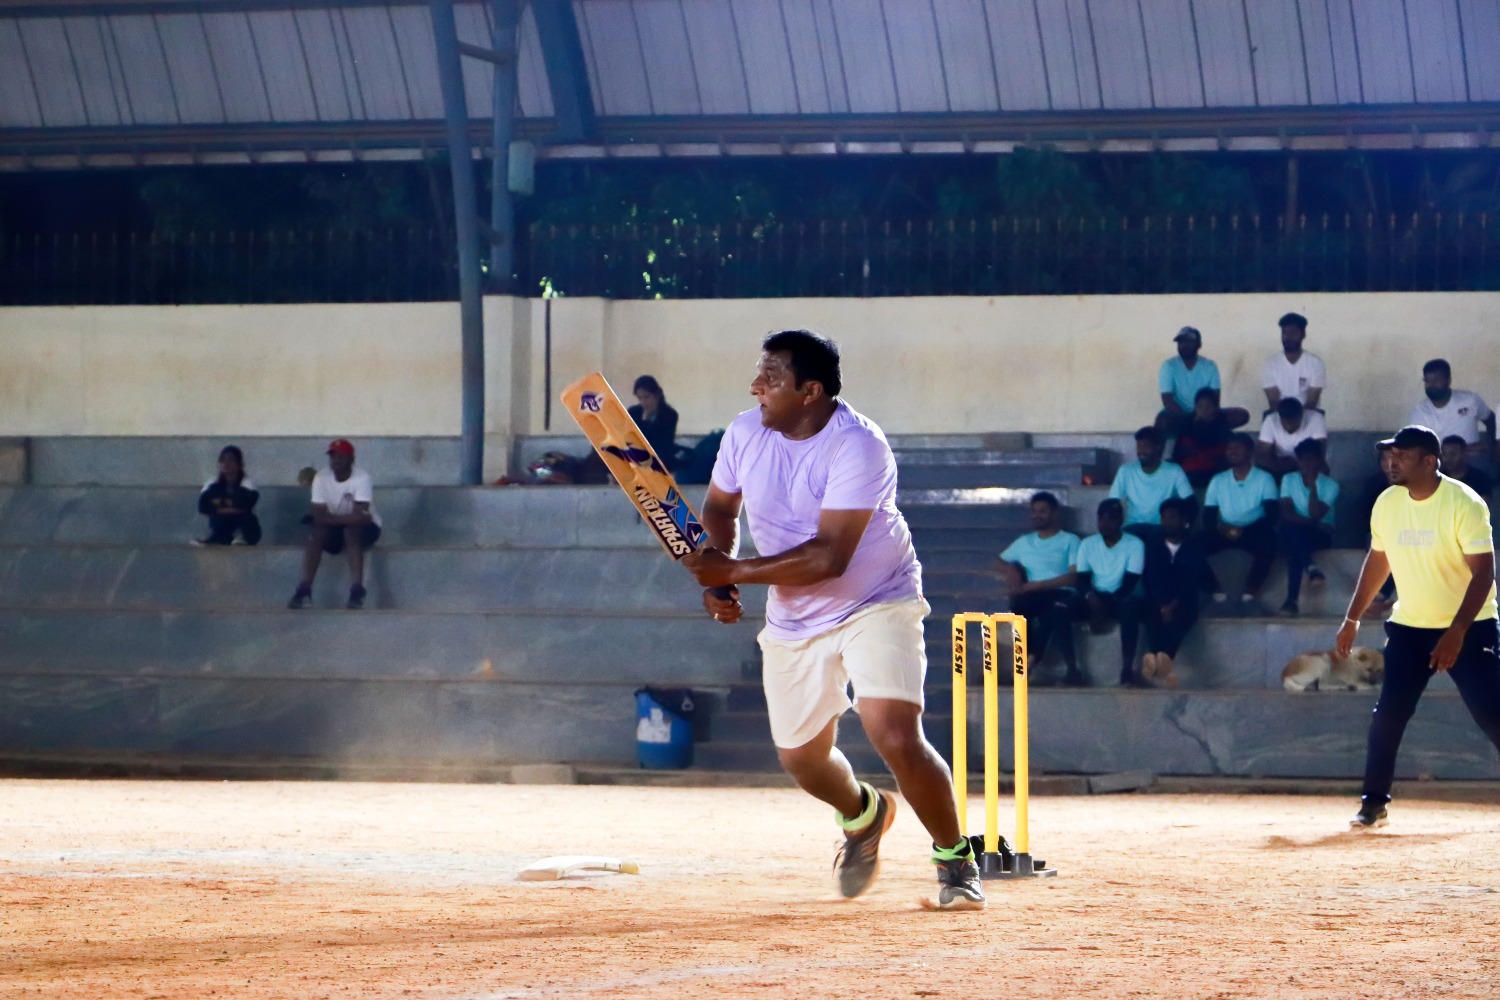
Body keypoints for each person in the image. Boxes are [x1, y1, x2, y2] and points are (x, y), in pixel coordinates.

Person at [680, 330, 983, 910]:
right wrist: (717, 577)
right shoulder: (746, 432)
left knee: (894, 731)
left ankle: (955, 860)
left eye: (771, 377)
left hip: (877, 596)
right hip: (795, 616)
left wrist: (734, 571)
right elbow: (720, 508)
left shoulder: (859, 446)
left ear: (811, 391)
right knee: (802, 759)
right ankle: (863, 816)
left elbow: (829, 558)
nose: (755, 387)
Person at [1336, 424, 1500, 830]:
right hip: (1409, 629)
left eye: (1402, 456)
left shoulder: (1465, 503)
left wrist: (1457, 632)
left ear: (1429, 462)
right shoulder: (1387, 503)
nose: (1392, 462)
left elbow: (1484, 575)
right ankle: (1373, 804)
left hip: (1470, 627)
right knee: (1388, 715)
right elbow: (1378, 561)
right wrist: (1352, 617)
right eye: (1391, 455)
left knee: (1492, 714)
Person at [996, 492, 1086, 687]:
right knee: (1019, 607)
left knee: (1052, 610)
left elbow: (1073, 577)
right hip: (1032, 592)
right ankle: (1026, 660)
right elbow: (998, 561)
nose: (1037, 515)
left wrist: (1039, 584)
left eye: (1043, 511)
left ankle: (1034, 660)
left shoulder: (1070, 540)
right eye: (1034, 511)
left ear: (1054, 513)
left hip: (1060, 591)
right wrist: (1011, 569)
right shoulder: (1024, 541)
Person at [287, 439, 383, 611]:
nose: (336, 460)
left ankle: (357, 590)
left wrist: (330, 519)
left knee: (350, 532)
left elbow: (362, 517)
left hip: (367, 528)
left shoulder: (362, 477)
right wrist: (341, 519)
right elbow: (317, 514)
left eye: (341, 456)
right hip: (337, 527)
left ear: (351, 459)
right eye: (333, 456)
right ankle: (305, 588)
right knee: (317, 534)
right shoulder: (321, 478)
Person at [1120, 497, 1206, 688]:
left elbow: (1190, 581)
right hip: (1155, 601)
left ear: (1185, 521)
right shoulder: (1153, 546)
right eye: (1165, 517)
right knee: (1129, 605)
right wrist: (1160, 605)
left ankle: (1163, 657)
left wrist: (1172, 605)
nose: (1168, 521)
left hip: (1182, 602)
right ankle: (1127, 668)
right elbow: (1150, 579)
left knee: (1184, 615)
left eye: (1173, 517)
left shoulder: (1195, 546)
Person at [1072, 498, 1146, 685]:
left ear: (1120, 520)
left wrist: (1103, 607)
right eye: (1102, 518)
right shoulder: (1088, 544)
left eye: (1112, 518)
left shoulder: (1135, 544)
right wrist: (1091, 597)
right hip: (1095, 598)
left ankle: (1127, 669)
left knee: (1130, 606)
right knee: (1059, 608)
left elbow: (1129, 583)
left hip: (1120, 597)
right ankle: (1072, 670)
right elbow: (1082, 581)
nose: (1106, 523)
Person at [1201, 434, 1280, 605]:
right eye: (1229, 448)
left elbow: (1272, 515)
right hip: (1224, 531)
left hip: (1253, 531)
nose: (1232, 452)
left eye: (1237, 448)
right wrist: (1221, 528)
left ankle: (1252, 588)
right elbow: (1208, 516)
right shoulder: (1218, 480)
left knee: (1270, 541)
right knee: (1191, 546)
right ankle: (1213, 587)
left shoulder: (1264, 478)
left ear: (1250, 452)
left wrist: (1245, 530)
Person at [1277, 439, 1339, 616]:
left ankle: (1292, 601)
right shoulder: (1288, 479)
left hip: (1320, 534)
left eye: (1311, 459)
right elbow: (1286, 513)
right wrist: (1310, 522)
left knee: (1292, 538)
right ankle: (1310, 569)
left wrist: (1313, 486)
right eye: (1302, 459)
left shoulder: (1330, 485)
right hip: (1298, 531)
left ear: (1320, 461)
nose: (1306, 463)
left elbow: (1315, 514)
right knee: (1292, 536)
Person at [1109, 426, 1195, 540]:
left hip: (1163, 528)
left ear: (1158, 448)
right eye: (1139, 446)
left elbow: (1191, 503)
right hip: (1133, 528)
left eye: (1146, 446)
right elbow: (1112, 502)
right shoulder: (1126, 471)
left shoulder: (1174, 471)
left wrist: (1184, 529)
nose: (1141, 451)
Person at [1409, 359, 1494, 468]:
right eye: (1428, 380)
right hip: (1441, 460)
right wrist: (1452, 453)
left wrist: (1491, 445)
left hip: (1472, 458)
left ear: (1448, 381)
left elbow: (1491, 420)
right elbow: (1420, 447)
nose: (1432, 385)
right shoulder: (1420, 411)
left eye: (1437, 379)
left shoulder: (1469, 400)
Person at [1171, 388, 1252, 489]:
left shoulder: (1224, 431)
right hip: (1190, 477)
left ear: (1216, 409)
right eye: (1200, 407)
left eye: (1208, 407)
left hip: (1217, 477)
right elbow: (1177, 456)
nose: (1204, 411)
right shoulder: (1186, 430)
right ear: (1195, 409)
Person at [1156, 326, 1221, 435]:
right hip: (1177, 414)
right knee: (1162, 421)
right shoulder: (1169, 366)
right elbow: (1167, 400)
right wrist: (1188, 418)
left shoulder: (1210, 366)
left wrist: (1202, 413)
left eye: (1188, 342)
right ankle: (1165, 451)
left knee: (1241, 415)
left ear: (1199, 345)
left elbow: (1214, 398)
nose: (1184, 345)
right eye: (1180, 342)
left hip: (1204, 412)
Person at [193, 445, 261, 546]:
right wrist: (231, 510)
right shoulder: (212, 484)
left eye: (231, 460)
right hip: (222, 526)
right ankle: (216, 537)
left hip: (247, 529)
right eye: (223, 460)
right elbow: (203, 507)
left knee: (245, 518)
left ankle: (241, 536)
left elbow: (246, 505)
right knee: (219, 520)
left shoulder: (247, 484)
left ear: (240, 464)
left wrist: (220, 508)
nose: (226, 463)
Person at [1261, 312, 1325, 412]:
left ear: (1303, 334)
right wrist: (1287, 421)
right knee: (1269, 423)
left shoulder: (1315, 363)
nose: (1288, 337)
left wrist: (1297, 421)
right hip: (1280, 415)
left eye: (1293, 333)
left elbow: (1312, 402)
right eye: (1285, 332)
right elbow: (1273, 402)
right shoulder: (1271, 364)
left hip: (1308, 415)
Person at [1255, 396, 1328, 477]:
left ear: (1301, 416)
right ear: (1280, 418)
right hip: (1280, 463)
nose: (1289, 426)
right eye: (1285, 422)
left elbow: (1320, 452)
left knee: (1322, 469)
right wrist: (1278, 464)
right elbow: (1262, 455)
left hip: (1308, 462)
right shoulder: (1271, 420)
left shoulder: (1316, 418)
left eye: (1293, 422)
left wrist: (1297, 464)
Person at [627, 375, 680, 468]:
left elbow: (660, 441)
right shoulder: (634, 412)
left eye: (646, 397)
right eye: (640, 398)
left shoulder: (669, 414)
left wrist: (645, 420)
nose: (643, 402)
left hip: (659, 455)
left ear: (656, 395)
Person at [1440, 434, 1494, 500]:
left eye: (1453, 454)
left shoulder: (1480, 478)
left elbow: (1483, 505)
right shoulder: (1437, 479)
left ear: (1464, 453)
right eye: (1444, 454)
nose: (1448, 459)